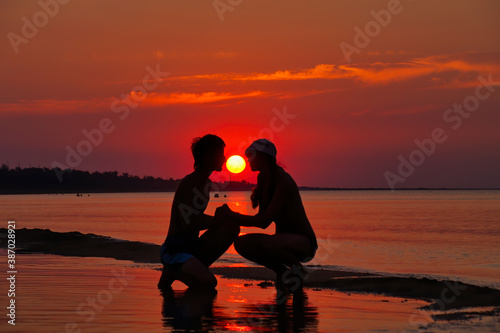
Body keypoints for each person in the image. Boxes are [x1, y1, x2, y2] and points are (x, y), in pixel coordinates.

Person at [216, 139, 317, 290]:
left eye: (251, 156)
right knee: (241, 243)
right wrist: (229, 218)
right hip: (281, 242)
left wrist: (232, 215)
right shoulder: (263, 179)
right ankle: (282, 271)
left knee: (269, 243)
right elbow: (262, 220)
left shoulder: (284, 181)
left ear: (262, 157)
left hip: (304, 244)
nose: (247, 160)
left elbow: (263, 221)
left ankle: (298, 271)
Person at [157, 134, 240, 290]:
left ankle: (193, 268)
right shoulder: (191, 182)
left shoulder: (205, 183)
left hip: (192, 246)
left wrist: (222, 219)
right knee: (209, 283)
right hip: (176, 249)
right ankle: (173, 272)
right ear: (208, 156)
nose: (224, 158)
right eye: (220, 154)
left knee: (231, 228)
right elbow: (188, 222)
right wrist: (216, 220)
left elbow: (197, 219)